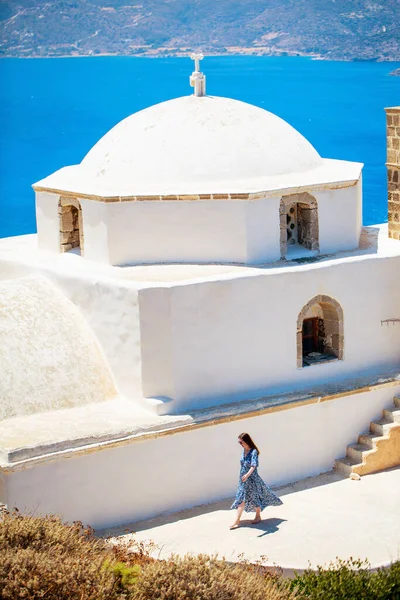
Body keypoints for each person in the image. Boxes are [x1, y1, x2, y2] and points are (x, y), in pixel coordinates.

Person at [230, 432, 282, 529]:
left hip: (252, 479)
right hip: (243, 479)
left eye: (241, 442)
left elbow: (254, 465)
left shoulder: (253, 452)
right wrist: (243, 476)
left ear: (246, 441)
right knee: (241, 499)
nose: (240, 444)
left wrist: (247, 475)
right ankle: (237, 521)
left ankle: (257, 516)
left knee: (255, 498)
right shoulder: (244, 451)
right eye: (239, 443)